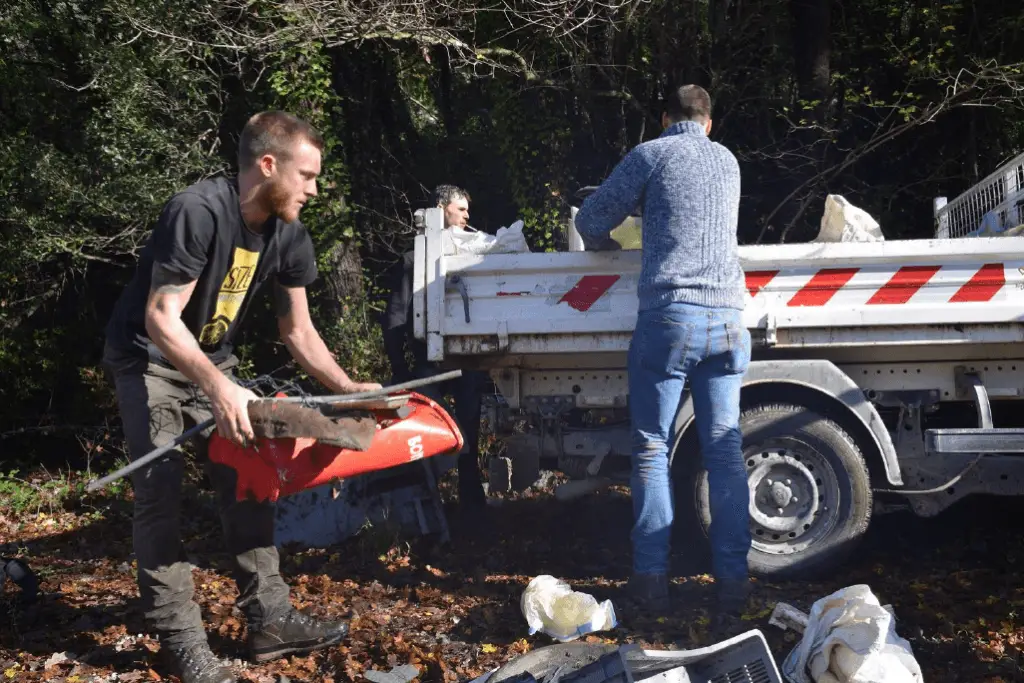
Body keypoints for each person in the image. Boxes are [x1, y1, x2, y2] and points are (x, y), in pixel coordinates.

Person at [102, 111, 382, 683]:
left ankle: (269, 620)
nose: (314, 189)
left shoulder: (289, 231)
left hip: (214, 366)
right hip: (150, 361)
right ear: (268, 164)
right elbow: (161, 317)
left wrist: (351, 390)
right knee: (161, 494)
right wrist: (219, 387)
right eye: (306, 175)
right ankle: (180, 641)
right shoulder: (198, 211)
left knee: (250, 475)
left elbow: (298, 332)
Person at [573, 85, 752, 621]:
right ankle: (734, 587)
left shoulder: (651, 153)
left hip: (670, 318)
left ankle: (652, 583)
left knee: (652, 446)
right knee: (724, 450)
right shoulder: (728, 161)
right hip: (726, 321)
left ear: (664, 117)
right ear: (709, 122)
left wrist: (608, 247)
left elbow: (589, 221)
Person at [380, 184, 488, 510]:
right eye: (461, 208)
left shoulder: (476, 258)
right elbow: (396, 317)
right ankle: (432, 506)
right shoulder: (414, 260)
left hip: (467, 362)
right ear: (441, 209)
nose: (468, 215)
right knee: (429, 437)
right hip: (429, 365)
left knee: (468, 437)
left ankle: (471, 505)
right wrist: (399, 367)